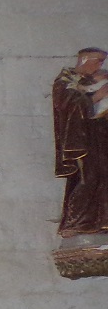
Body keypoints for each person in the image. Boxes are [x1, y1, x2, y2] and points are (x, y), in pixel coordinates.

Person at [53, 48, 108, 236]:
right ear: (84, 59)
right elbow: (68, 103)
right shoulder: (65, 81)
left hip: (101, 137)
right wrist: (95, 97)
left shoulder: (95, 80)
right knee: (88, 177)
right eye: (98, 61)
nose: (100, 66)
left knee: (104, 176)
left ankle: (100, 221)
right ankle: (74, 222)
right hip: (81, 140)